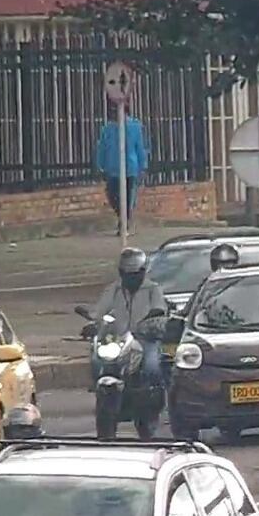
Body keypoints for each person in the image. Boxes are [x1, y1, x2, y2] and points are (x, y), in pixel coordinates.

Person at [88, 248, 169, 385]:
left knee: (152, 367)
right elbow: (100, 311)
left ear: (143, 272)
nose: (132, 278)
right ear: (121, 273)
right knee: (98, 360)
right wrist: (94, 323)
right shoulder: (114, 289)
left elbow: (159, 309)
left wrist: (150, 320)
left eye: (136, 274)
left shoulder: (152, 289)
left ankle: (154, 395)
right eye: (128, 275)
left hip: (145, 338)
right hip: (118, 339)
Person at [95, 102, 151, 236]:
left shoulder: (134, 126)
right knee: (112, 195)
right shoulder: (108, 129)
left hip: (131, 168)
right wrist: (100, 165)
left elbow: (140, 148)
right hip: (112, 168)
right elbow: (102, 148)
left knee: (128, 198)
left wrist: (143, 167)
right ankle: (123, 218)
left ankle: (125, 225)